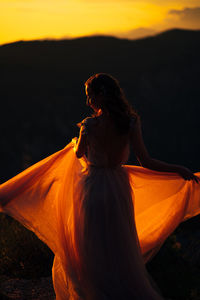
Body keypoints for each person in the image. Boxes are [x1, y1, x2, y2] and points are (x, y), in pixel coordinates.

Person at [0, 73, 200, 300]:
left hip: (91, 188)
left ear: (101, 94)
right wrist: (179, 170)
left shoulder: (89, 125)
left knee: (89, 247)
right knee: (117, 247)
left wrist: (76, 143)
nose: (88, 102)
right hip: (118, 189)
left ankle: (93, 292)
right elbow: (147, 161)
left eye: (90, 96)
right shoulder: (130, 122)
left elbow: (79, 154)